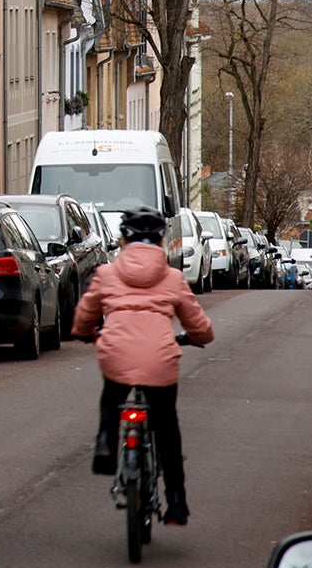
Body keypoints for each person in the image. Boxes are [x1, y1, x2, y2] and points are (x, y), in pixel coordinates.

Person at [71, 206, 214, 525]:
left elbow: (84, 316)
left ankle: (107, 442)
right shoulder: (173, 278)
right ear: (162, 240)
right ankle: (176, 501)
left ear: (123, 239)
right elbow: (200, 326)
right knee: (166, 427)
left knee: (112, 394)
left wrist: (85, 332)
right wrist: (196, 337)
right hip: (160, 360)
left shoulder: (107, 273)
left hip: (116, 354)